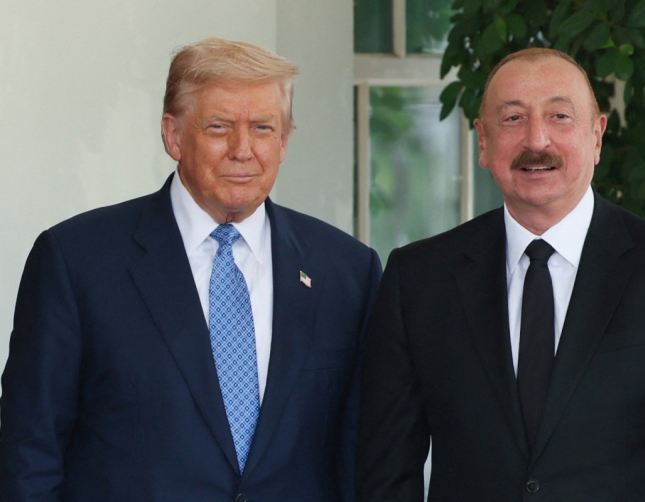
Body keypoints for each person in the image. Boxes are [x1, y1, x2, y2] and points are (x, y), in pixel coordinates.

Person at [356, 47, 645, 501]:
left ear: (597, 137)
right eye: (513, 119)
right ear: (483, 141)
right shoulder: (418, 279)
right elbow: (385, 477)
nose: (537, 140)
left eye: (559, 117)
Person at [0, 38, 380, 501]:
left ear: (284, 141)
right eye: (219, 127)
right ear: (173, 136)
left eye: (263, 128)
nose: (243, 150)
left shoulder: (348, 271)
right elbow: (29, 452)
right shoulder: (76, 261)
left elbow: (364, 453)